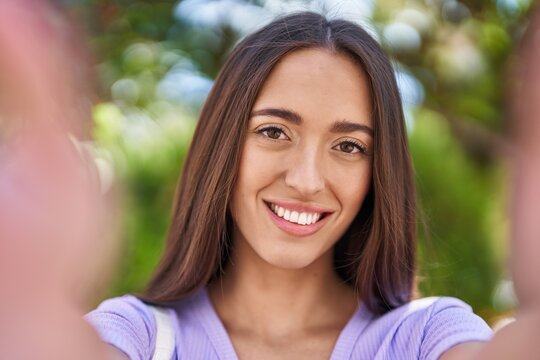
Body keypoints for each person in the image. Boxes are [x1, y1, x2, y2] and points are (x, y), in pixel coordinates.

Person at [86, 12, 494, 360]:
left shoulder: (425, 338)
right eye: (274, 131)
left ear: (378, 175)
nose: (306, 180)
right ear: (223, 144)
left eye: (349, 146)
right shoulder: (141, 337)